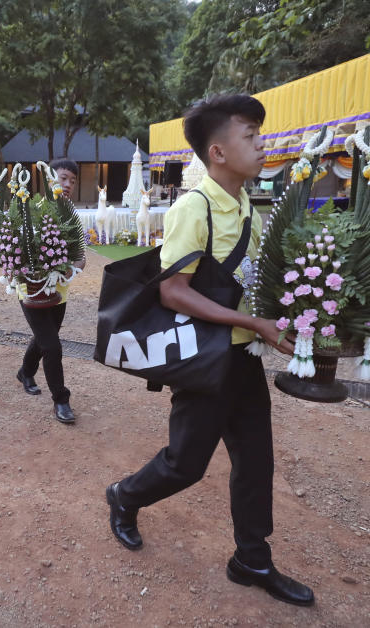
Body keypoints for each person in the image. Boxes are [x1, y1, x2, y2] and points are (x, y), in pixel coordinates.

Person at [104, 95, 315, 607]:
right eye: (251, 135)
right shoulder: (192, 208)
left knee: (255, 462)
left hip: (244, 359)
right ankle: (123, 496)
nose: (262, 144)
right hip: (204, 361)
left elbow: (247, 280)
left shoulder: (247, 206)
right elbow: (173, 291)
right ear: (218, 151)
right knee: (186, 464)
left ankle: (251, 559)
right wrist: (253, 323)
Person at [15, 158, 86, 424]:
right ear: (49, 180)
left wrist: (73, 269)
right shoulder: (30, 211)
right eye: (63, 178)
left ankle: (25, 372)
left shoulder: (72, 216)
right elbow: (15, 252)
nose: (67, 185)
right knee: (52, 347)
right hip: (31, 291)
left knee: (45, 338)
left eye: (72, 181)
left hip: (59, 293)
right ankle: (61, 400)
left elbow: (81, 256)